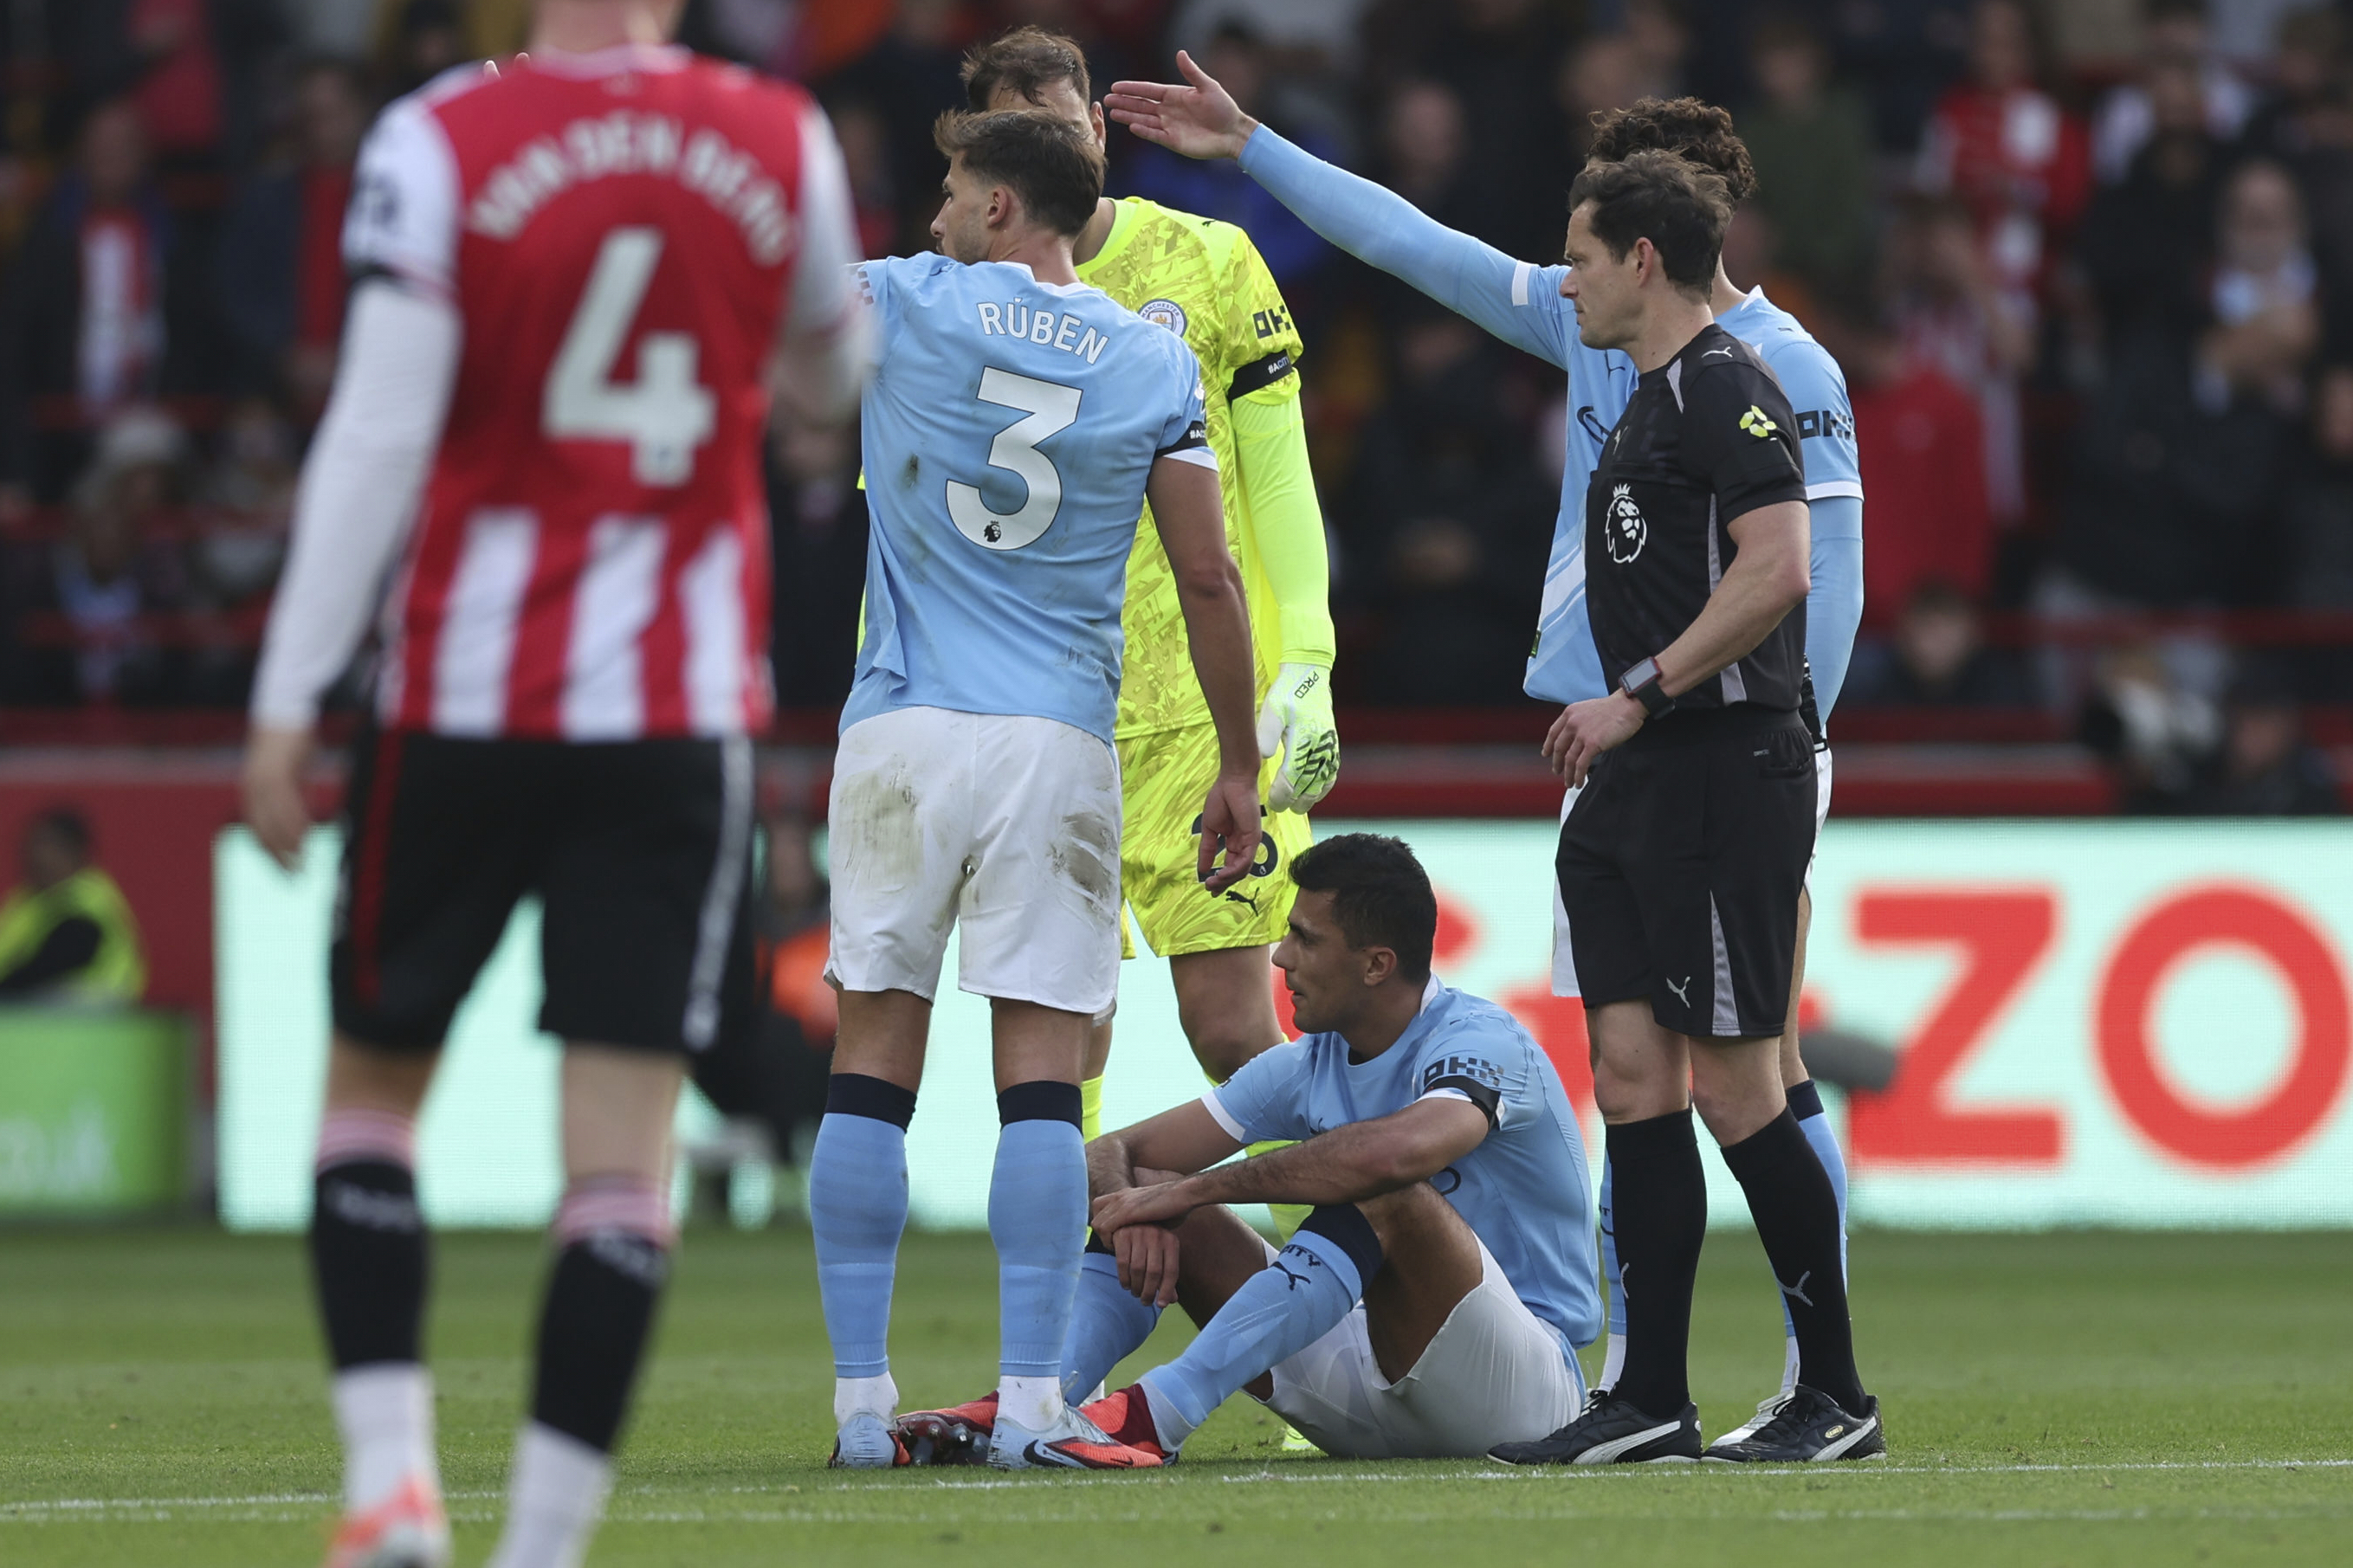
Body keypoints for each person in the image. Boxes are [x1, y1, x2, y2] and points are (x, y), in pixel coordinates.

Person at [1104, 63, 1866, 1453]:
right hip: (1612, 753)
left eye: (1578, 247)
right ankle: (1649, 1385)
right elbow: (1409, 242)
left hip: (1725, 741)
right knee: (1636, 1075)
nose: (1553, 274)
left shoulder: (1778, 370)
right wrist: (1256, 147)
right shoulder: (1610, 348)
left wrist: (1789, 751)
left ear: (1652, 241)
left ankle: (1829, 1378)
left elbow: (1817, 577)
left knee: (1756, 1072)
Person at [236, 1, 868, 1562]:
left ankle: (391, 1484)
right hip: (670, 711)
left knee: (375, 1093)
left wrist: (283, 697)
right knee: (620, 1150)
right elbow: (826, 381)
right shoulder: (774, 135)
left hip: (461, 690)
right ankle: (540, 1545)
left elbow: (378, 431)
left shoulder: (441, 135)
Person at [813, 107, 1263, 1473]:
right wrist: (1239, 761)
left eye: (954, 186)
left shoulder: (902, 300)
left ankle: (856, 1405)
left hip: (901, 725)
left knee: (869, 1070)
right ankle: (1026, 1404)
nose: (938, 206)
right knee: (1040, 1088)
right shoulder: (1151, 358)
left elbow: (747, 285)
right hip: (1055, 743)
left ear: (1004, 205)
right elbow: (1206, 577)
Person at [890, 833, 1599, 1468]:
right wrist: (1140, 1210)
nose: (1280, 957)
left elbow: (1398, 1154)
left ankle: (1154, 1415)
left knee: (1375, 1186)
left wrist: (1193, 1189)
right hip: (1357, 1394)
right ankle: (1030, 1404)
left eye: (1304, 939)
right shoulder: (1307, 1061)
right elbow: (1116, 1150)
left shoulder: (1481, 1042)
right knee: (1154, 1191)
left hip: (1519, 1397)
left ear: (1377, 964)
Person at [951, 25, 1339, 1137]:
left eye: (1061, 129)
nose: (1046, 159)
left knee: (1232, 1028)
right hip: (1037, 709)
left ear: (1098, 134)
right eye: (1013, 140)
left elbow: (1276, 476)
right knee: (1060, 1042)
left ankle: (1332, 1289)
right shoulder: (946, 301)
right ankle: (1072, 1291)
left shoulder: (1210, 264)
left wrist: (1305, 656)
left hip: (1195, 713)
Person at [0, 808, 146, 1003]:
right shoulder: (25, 901)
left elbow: (60, 956)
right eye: (33, 845)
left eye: (51, 846)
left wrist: (7, 987)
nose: (38, 855)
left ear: (76, 852)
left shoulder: (89, 897)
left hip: (89, 1010)